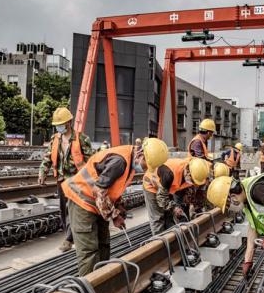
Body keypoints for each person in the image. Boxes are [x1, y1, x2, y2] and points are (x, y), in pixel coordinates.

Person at [62, 138, 168, 276]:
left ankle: (102, 280)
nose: (145, 169)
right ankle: (89, 291)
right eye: (146, 165)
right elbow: (98, 191)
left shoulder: (130, 161)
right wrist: (114, 216)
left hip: (97, 204)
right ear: (141, 154)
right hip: (82, 200)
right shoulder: (120, 162)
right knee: (89, 252)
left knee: (104, 245)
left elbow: (112, 187)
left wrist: (119, 205)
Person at [38, 107, 93, 252]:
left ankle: (69, 239)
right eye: (57, 125)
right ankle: (70, 236)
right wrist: (43, 173)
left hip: (77, 181)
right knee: (64, 211)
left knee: (73, 210)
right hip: (62, 180)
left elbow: (90, 162)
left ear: (69, 122)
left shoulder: (82, 139)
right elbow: (48, 158)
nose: (58, 127)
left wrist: (90, 182)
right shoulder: (55, 139)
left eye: (61, 124)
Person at [143, 157, 209, 235]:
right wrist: (174, 208)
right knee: (158, 218)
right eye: (192, 181)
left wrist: (195, 206)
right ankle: (159, 243)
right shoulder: (169, 174)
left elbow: (189, 195)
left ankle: (172, 241)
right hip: (152, 186)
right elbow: (162, 198)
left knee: (170, 216)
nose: (192, 183)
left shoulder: (195, 171)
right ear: (188, 172)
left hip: (169, 188)